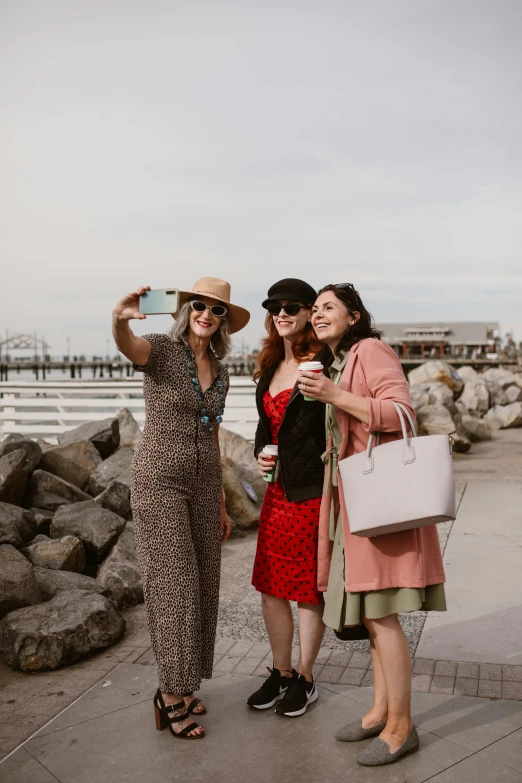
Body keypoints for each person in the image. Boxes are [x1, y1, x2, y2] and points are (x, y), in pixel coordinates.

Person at [299, 283, 446, 766]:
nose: (317, 315)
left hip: (382, 506)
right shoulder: (340, 360)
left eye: (328, 308)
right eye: (314, 309)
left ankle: (402, 727)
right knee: (367, 613)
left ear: (356, 316)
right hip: (353, 505)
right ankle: (381, 710)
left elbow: (403, 413)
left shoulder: (372, 350)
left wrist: (334, 395)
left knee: (382, 616)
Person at [112, 277, 250, 741]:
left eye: (218, 311)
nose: (207, 315)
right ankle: (169, 694)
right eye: (199, 306)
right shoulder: (160, 350)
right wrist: (119, 317)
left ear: (224, 322)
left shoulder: (222, 369)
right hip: (160, 480)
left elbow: (213, 433)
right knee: (175, 583)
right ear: (185, 309)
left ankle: (186, 682)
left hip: (205, 482)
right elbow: (127, 346)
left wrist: (222, 501)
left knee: (205, 582)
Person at [247, 278, 327, 718]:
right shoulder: (270, 362)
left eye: (292, 306)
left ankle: (305, 676)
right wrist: (262, 452)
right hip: (276, 494)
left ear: (309, 313)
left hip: (312, 492)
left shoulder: (324, 361)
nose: (281, 313)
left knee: (307, 591)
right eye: (275, 306)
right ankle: (279, 673)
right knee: (270, 588)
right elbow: (265, 427)